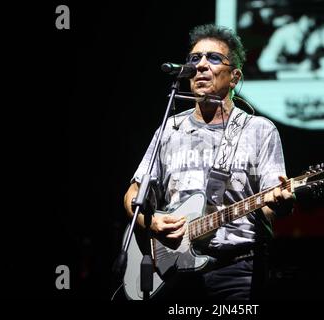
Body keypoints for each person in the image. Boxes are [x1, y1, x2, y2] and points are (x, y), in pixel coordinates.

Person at [124, 24, 295, 301]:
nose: (201, 65)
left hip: (237, 267)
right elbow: (133, 194)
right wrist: (151, 222)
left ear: (234, 76)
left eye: (214, 58)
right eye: (195, 58)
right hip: (172, 269)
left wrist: (281, 203)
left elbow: (271, 209)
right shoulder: (171, 129)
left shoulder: (259, 130)